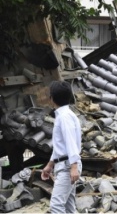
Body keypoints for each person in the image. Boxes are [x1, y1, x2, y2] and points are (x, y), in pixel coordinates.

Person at [41, 81, 82, 213]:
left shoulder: (64, 117)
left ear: (52, 98)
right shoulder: (65, 115)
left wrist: (74, 166)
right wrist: (50, 165)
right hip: (65, 164)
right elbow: (61, 146)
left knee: (56, 205)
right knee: (69, 207)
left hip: (67, 166)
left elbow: (70, 142)